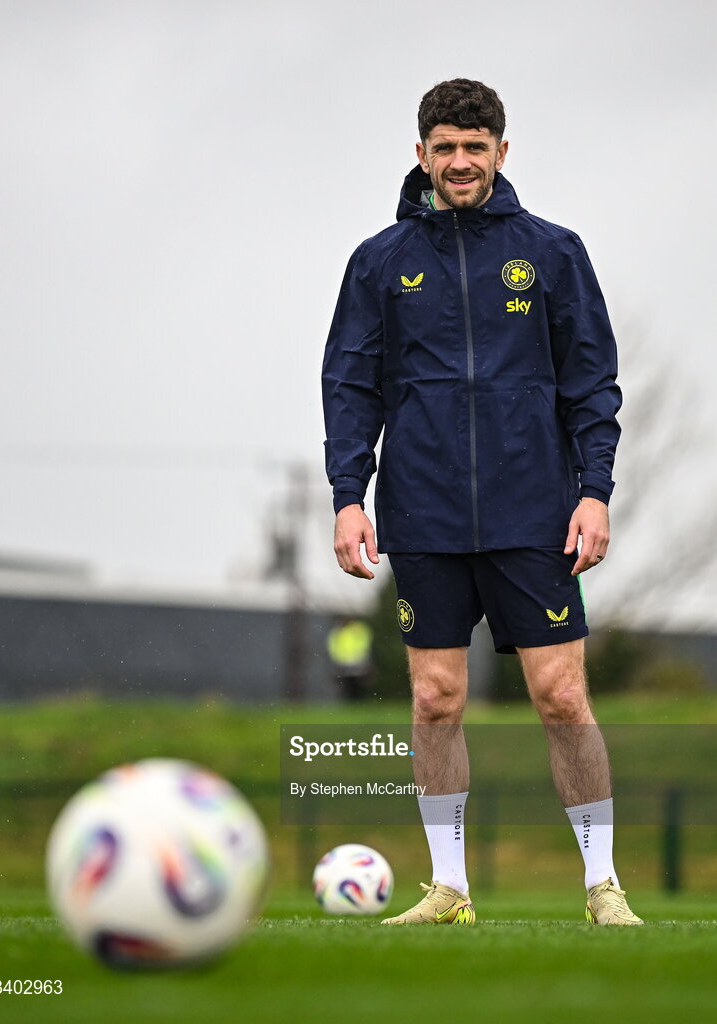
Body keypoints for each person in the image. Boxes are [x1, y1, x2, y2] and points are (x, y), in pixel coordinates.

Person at [321, 78, 641, 926]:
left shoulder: (555, 253)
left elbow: (591, 386)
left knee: (563, 696)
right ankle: (450, 888)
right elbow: (350, 387)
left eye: (475, 146)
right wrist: (349, 497)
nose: (460, 162)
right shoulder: (379, 262)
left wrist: (595, 493)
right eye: (444, 147)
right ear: (421, 154)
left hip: (534, 510)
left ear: (503, 151)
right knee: (434, 698)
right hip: (421, 513)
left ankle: (603, 886)